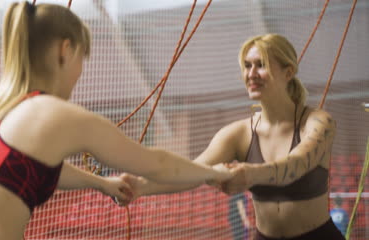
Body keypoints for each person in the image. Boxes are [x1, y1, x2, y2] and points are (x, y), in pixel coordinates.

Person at [0, 1, 232, 240]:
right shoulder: (52, 111)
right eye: (81, 59)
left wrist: (101, 183)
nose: (80, 72)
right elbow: (158, 164)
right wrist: (212, 171)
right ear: (65, 50)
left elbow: (25, 168)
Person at [121, 34, 345, 239]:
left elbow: (296, 165)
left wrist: (251, 174)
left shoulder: (318, 122)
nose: (251, 74)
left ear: (288, 72)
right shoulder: (238, 133)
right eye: (247, 66)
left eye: (261, 65)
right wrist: (140, 186)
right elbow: (192, 171)